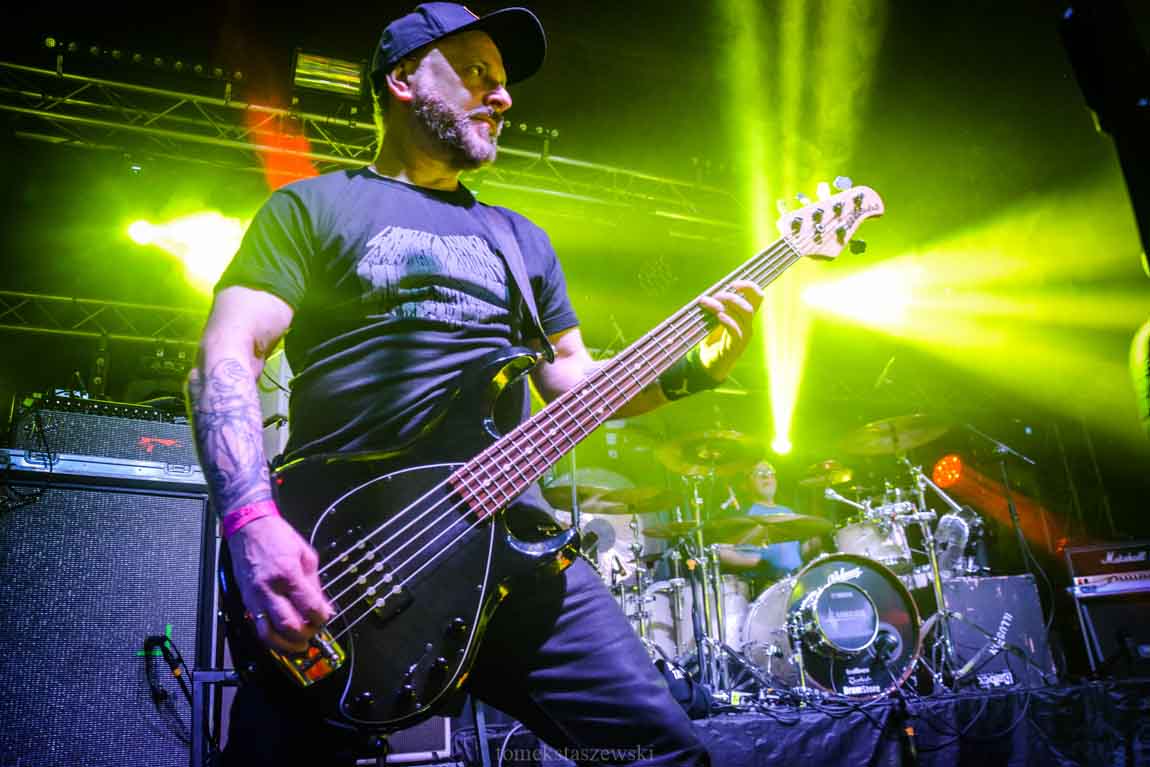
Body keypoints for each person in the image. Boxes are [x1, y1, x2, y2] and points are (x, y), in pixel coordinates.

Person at [185, 4, 764, 765]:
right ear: (402, 79)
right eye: (476, 73)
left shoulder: (520, 240)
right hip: (352, 553)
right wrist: (252, 524)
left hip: (514, 545)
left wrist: (695, 369)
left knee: (668, 753)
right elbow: (225, 358)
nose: (503, 96)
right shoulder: (313, 206)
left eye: (503, 80)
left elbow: (576, 384)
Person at [715, 460, 822, 584]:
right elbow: (736, 556)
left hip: (797, 580)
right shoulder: (747, 515)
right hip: (767, 584)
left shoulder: (789, 511)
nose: (766, 476)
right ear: (746, 484)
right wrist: (760, 561)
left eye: (770, 472)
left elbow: (799, 553)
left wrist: (813, 544)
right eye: (759, 473)